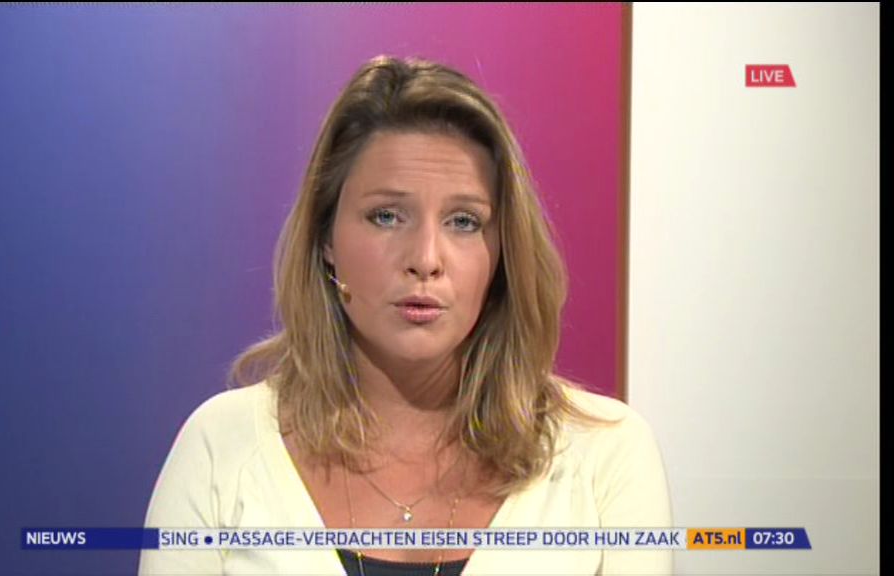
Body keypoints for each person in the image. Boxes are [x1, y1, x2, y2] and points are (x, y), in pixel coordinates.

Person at [139, 55, 672, 576]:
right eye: (387, 216)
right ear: (326, 239)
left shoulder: (605, 455)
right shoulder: (223, 446)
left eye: (464, 221)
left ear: (503, 251)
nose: (425, 258)